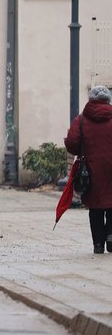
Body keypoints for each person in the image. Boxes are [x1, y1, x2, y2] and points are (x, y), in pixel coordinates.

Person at [63, 85, 112, 254]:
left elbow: (72, 142)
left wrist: (81, 151)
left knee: (96, 207)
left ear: (91, 99)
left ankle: (98, 244)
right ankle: (111, 237)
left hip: (91, 170)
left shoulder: (82, 119)